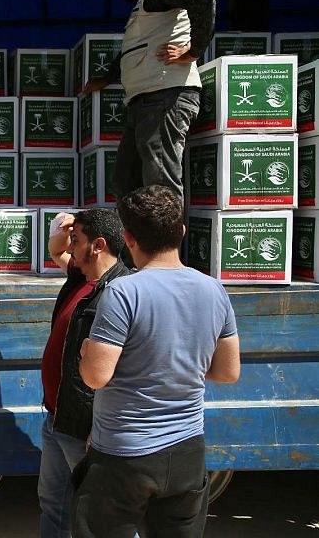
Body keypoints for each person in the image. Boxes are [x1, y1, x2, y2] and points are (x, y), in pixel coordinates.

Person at [72, 186, 241, 538]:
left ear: (129, 238)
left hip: (124, 454)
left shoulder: (123, 292)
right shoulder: (214, 289)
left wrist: (87, 350)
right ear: (181, 231)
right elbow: (228, 372)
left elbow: (96, 377)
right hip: (187, 452)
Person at [86, 0, 216, 200]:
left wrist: (193, 51)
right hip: (144, 102)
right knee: (126, 185)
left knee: (159, 185)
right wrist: (107, 78)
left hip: (164, 97)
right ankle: (138, 241)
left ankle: (166, 242)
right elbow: (135, 50)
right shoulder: (145, 2)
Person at [39, 208, 132, 538]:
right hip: (56, 417)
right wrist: (62, 228)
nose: (69, 246)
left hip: (84, 427)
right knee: (54, 503)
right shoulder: (81, 276)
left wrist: (103, 424)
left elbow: (121, 371)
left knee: (102, 516)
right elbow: (56, 251)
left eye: (76, 240)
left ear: (98, 246)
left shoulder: (121, 293)